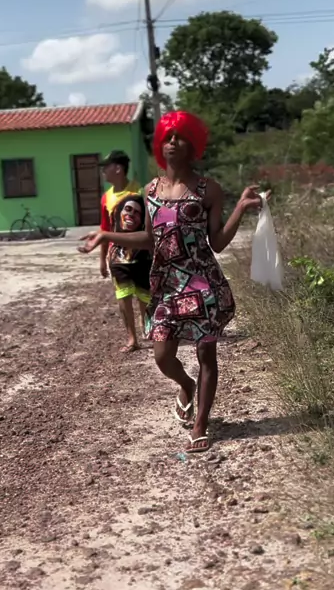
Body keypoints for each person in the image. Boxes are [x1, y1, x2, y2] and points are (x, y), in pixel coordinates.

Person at [80, 112, 268, 452]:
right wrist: (107, 235)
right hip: (167, 283)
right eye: (167, 137)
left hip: (202, 281)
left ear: (192, 146)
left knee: (206, 352)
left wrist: (240, 207)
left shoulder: (208, 190)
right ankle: (186, 384)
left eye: (179, 137)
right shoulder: (151, 190)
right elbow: (150, 238)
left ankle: (200, 423)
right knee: (162, 355)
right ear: (159, 145)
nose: (172, 143)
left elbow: (217, 242)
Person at [87, 149, 152, 353]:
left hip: (141, 254)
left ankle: (148, 329)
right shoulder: (106, 198)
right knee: (123, 296)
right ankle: (132, 339)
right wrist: (102, 259)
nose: (103, 172)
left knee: (144, 296)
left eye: (105, 167)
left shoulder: (139, 192)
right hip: (117, 256)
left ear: (118, 168)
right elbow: (104, 230)